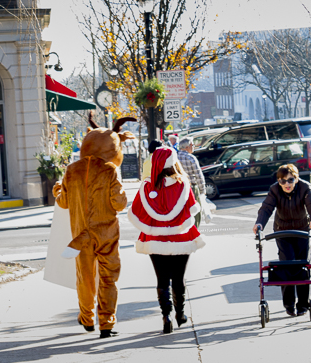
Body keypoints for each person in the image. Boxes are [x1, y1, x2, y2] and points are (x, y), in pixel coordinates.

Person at [55, 115, 137, 338]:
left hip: (80, 234)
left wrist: (57, 190)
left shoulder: (72, 170)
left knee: (85, 277)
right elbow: (118, 204)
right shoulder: (110, 170)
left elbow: (63, 202)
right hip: (106, 233)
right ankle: (107, 322)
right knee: (108, 277)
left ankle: (87, 317)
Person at [128, 147, 205, 334]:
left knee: (162, 280)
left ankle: (166, 317)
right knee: (178, 278)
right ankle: (180, 314)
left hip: (155, 239)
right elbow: (192, 209)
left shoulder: (146, 187)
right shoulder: (182, 184)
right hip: (181, 237)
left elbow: (135, 212)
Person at [252, 164, 311, 317]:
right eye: (283, 181)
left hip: (302, 230)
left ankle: (303, 304)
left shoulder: (304, 187)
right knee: (287, 265)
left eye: (290, 180)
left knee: (303, 265)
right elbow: (266, 208)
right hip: (282, 231)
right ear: (278, 181)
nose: (287, 184)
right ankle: (289, 304)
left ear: (296, 178)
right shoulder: (275, 189)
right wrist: (259, 223)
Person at [176, 137, 206, 227]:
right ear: (187, 146)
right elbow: (198, 175)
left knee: (182, 211)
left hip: (178, 188)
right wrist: (202, 190)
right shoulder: (190, 158)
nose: (193, 147)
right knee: (196, 211)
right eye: (192, 145)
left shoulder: (174, 157)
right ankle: (194, 230)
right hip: (192, 187)